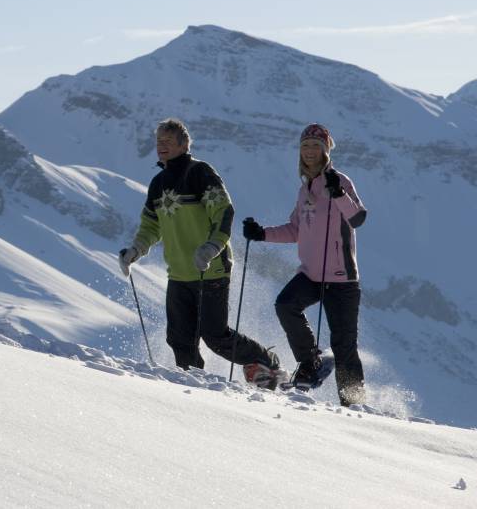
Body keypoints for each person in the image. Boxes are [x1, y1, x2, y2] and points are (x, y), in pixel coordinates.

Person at [119, 118, 280, 385]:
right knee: (179, 338)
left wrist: (212, 247)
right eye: (159, 141)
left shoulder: (200, 173)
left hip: (212, 267)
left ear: (184, 144)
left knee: (215, 335)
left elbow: (223, 211)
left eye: (168, 141)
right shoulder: (158, 183)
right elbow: (151, 225)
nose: (161, 146)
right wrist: (135, 250)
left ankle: (267, 364)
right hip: (179, 272)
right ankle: (196, 385)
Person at [243, 123, 367, 406]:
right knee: (285, 305)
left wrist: (339, 195)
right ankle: (311, 363)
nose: (310, 151)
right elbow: (295, 230)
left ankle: (354, 404)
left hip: (342, 279)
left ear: (325, 150)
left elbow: (358, 218)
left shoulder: (340, 180)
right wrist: (261, 233)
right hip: (311, 274)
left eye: (315, 146)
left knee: (344, 346)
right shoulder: (305, 188)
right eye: (305, 146)